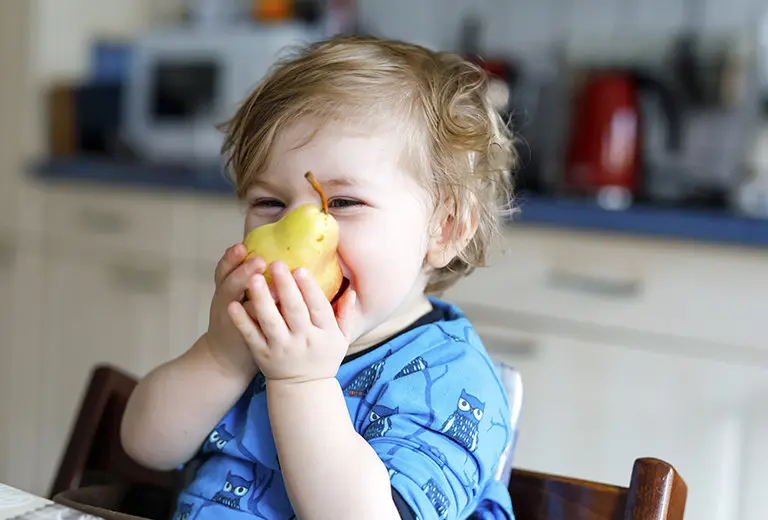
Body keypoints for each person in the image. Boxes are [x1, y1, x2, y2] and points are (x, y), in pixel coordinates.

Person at [121, 34, 520, 520]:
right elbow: (146, 446)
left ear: (446, 229)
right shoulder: (259, 338)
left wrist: (302, 382)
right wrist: (220, 355)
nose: (298, 227)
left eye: (343, 202)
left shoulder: (451, 382)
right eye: (269, 202)